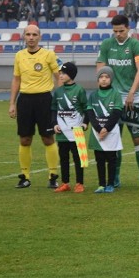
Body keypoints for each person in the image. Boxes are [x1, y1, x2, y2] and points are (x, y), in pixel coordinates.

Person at [96, 14, 139, 190]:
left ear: (128, 28)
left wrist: (131, 93)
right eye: (115, 31)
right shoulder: (106, 45)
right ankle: (115, 177)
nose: (118, 34)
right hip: (113, 100)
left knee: (138, 137)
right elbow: (100, 69)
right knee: (114, 139)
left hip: (132, 98)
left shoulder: (135, 45)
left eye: (121, 31)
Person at [9, 24, 61, 189]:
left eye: (34, 34)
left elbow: (59, 76)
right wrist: (12, 103)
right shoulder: (19, 55)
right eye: (28, 34)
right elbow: (16, 79)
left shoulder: (49, 54)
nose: (31, 37)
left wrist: (59, 96)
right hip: (24, 100)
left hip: (44, 100)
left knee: (48, 138)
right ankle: (25, 176)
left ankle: (53, 176)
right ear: (24, 36)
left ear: (40, 37)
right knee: (25, 139)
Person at [50, 62, 88, 193]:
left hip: (77, 131)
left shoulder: (79, 90)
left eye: (63, 73)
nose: (60, 75)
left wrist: (85, 123)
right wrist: (54, 124)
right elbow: (54, 109)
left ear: (71, 75)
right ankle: (65, 183)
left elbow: (86, 108)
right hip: (62, 132)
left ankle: (80, 183)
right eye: (60, 73)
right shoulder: (58, 91)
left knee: (79, 158)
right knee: (64, 158)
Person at [87, 67, 124, 194]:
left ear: (111, 79)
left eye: (106, 77)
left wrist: (106, 129)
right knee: (99, 159)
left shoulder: (116, 94)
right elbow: (90, 113)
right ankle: (101, 184)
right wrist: (98, 129)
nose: (103, 79)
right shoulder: (93, 95)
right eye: (101, 77)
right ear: (98, 79)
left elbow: (117, 113)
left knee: (111, 159)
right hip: (97, 132)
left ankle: (110, 184)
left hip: (111, 132)